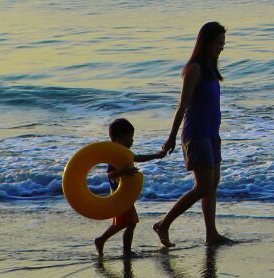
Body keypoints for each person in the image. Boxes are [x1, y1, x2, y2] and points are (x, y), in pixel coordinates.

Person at [152, 21, 233, 247]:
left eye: (223, 44)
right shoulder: (194, 69)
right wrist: (171, 138)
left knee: (212, 184)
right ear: (206, 42)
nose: (221, 48)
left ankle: (211, 234)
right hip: (196, 134)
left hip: (211, 133)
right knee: (203, 186)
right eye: (218, 43)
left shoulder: (210, 69)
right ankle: (164, 224)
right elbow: (182, 106)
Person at [93, 118, 167, 257]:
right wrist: (124, 172)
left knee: (125, 223)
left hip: (124, 195)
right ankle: (123, 249)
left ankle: (103, 240)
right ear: (120, 140)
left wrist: (157, 155)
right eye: (130, 138)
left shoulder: (124, 153)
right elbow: (110, 174)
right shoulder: (115, 154)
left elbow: (138, 158)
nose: (132, 141)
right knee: (130, 223)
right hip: (119, 196)